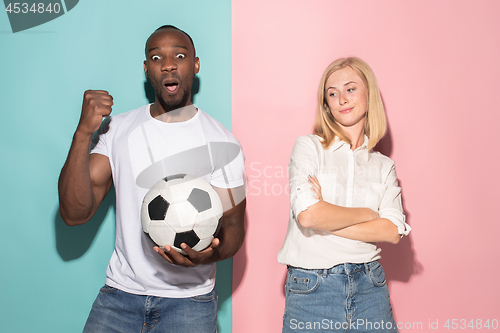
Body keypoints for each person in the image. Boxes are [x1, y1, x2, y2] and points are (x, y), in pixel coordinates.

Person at [58, 25, 246, 333]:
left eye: (180, 56)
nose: (169, 64)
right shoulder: (117, 129)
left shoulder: (222, 143)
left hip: (190, 304)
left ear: (195, 65)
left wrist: (208, 254)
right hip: (120, 297)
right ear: (147, 69)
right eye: (157, 57)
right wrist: (83, 134)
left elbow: (235, 225)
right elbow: (74, 213)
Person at [278, 57, 411, 333]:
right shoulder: (308, 147)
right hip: (311, 290)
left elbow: (392, 232)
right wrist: (367, 216)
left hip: (370, 288)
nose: (342, 99)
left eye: (350, 89)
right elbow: (308, 215)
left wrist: (326, 215)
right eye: (332, 93)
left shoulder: (383, 165)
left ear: (368, 94)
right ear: (326, 104)